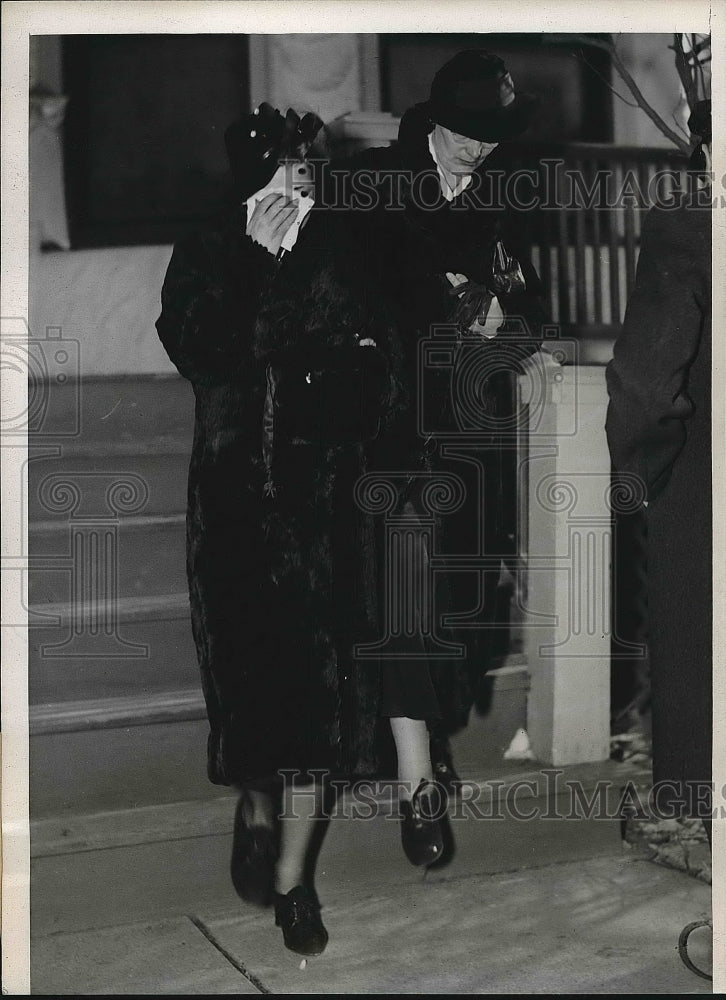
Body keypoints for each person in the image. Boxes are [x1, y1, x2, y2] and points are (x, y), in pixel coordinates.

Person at [155, 100, 472, 957]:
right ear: (249, 179)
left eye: (305, 168)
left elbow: (380, 365)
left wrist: (354, 376)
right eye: (284, 169)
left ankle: (295, 882)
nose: (300, 183)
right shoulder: (211, 252)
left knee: (309, 719)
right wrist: (260, 271)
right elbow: (201, 349)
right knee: (256, 711)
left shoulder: (341, 244)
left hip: (329, 510)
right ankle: (253, 815)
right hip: (233, 515)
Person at [336, 49, 547, 781]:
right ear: (435, 120)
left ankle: (425, 735)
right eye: (468, 132)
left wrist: (501, 317)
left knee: (459, 600)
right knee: (405, 594)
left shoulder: (507, 196)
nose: (481, 148)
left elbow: (532, 312)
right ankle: (415, 772)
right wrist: (443, 299)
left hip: (470, 435)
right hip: (392, 432)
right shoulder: (373, 186)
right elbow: (344, 303)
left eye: (493, 135)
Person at [605, 100, 712, 975]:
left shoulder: (690, 221)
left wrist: (637, 474)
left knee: (690, 634)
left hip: (706, 477)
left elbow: (648, 377)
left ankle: (691, 815)